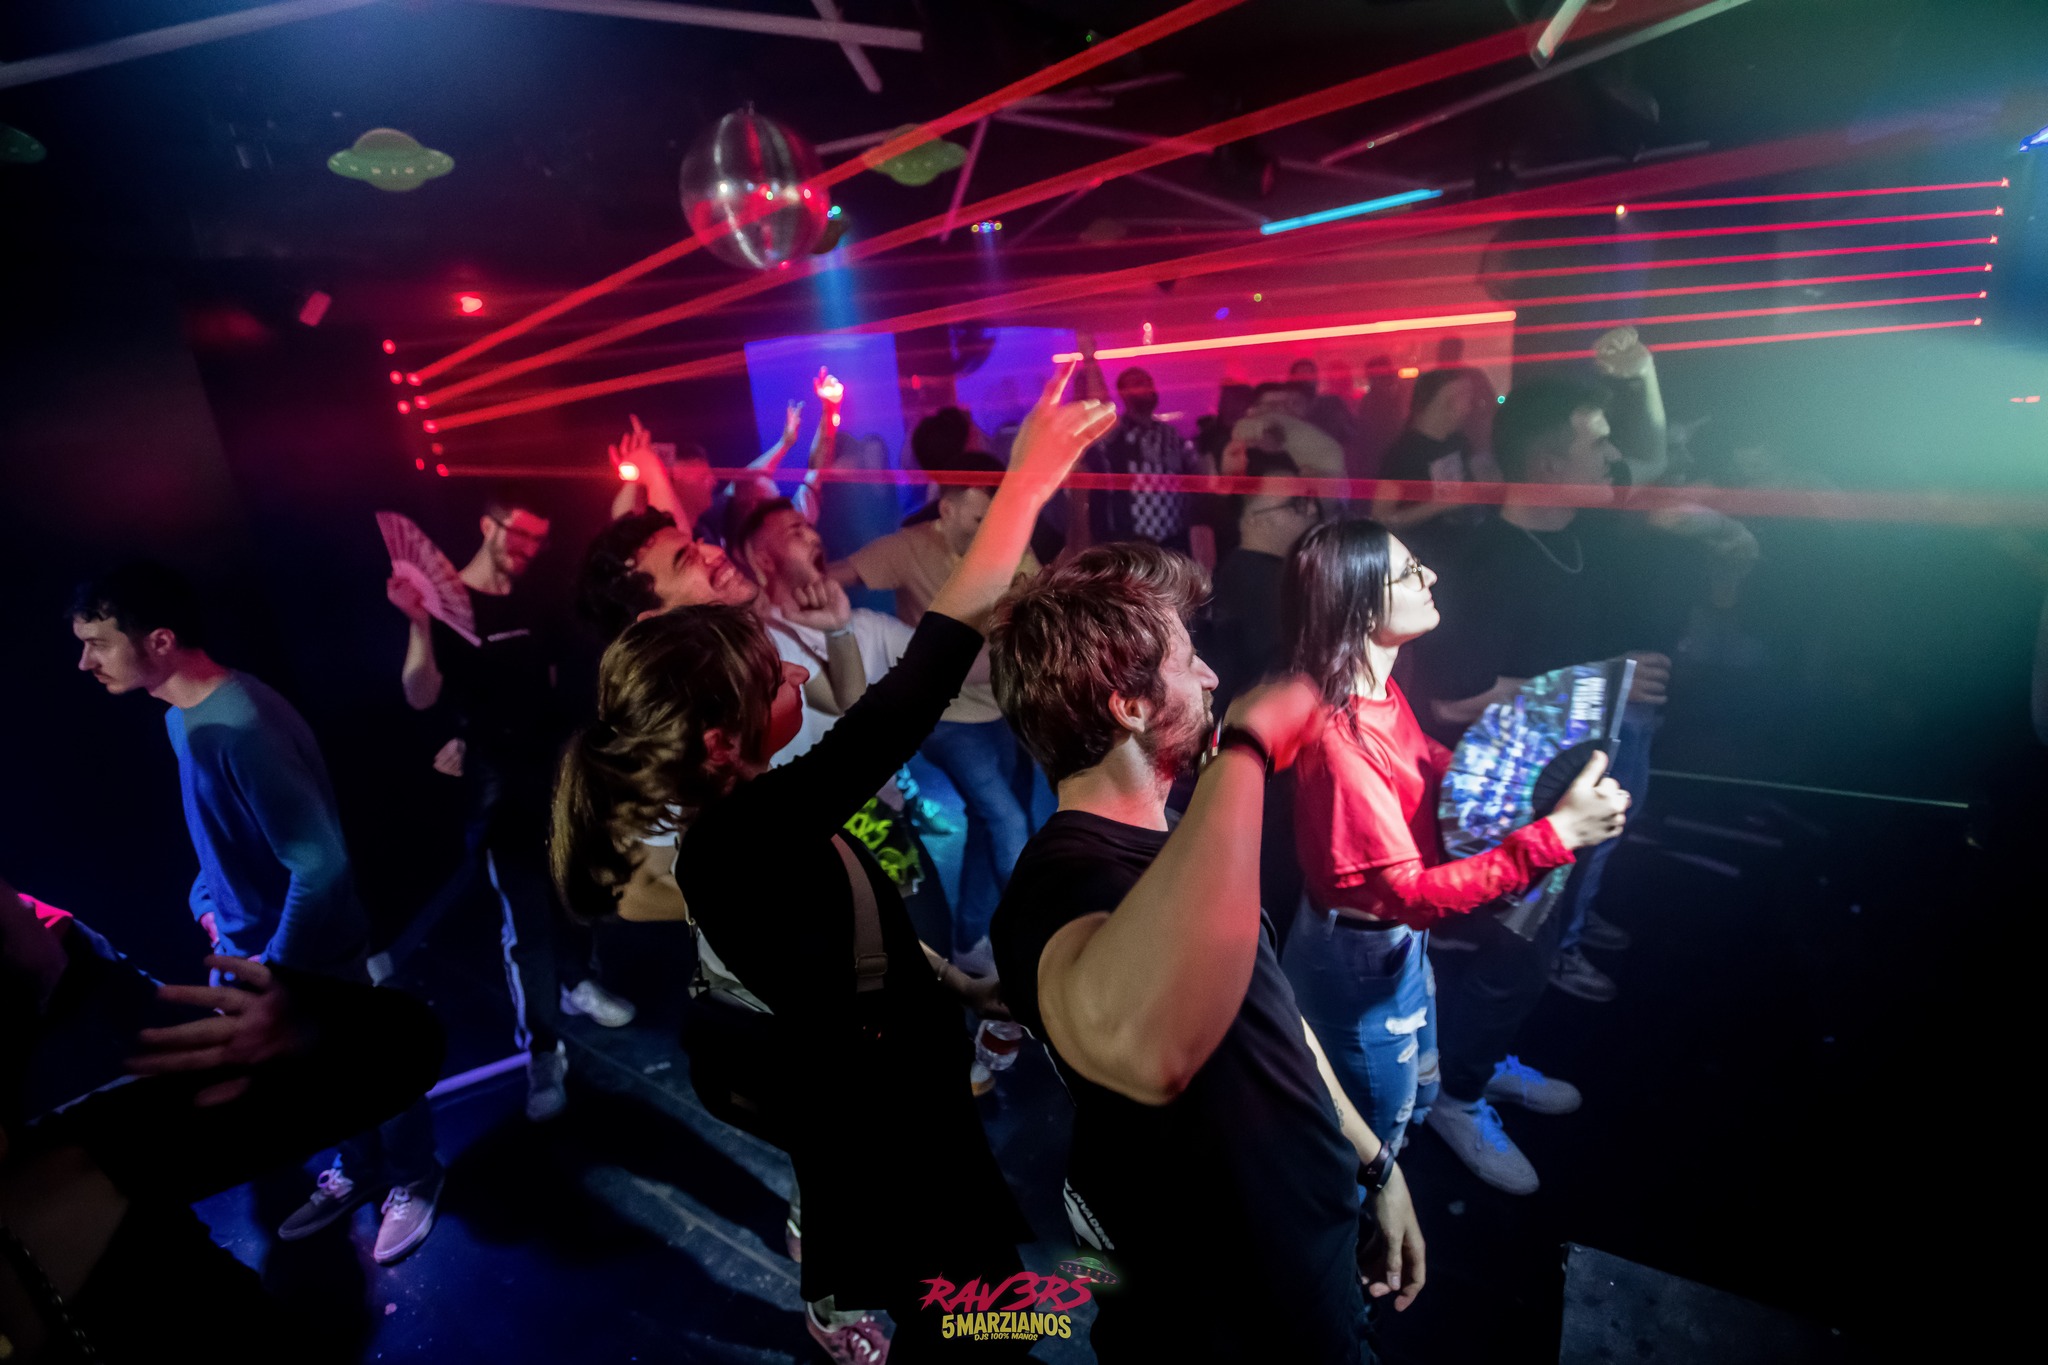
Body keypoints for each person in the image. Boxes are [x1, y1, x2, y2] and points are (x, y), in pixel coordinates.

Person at [550, 364, 1116, 1361]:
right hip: (876, 1105)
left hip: (891, 1078)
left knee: (962, 1270)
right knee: (959, 1298)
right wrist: (1024, 485)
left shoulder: (754, 822)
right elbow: (926, 672)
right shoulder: (751, 832)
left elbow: (852, 940)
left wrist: (954, 986)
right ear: (722, 741)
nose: (789, 672)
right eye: (771, 680)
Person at [987, 542, 1426, 1365]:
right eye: (1189, 661)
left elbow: (1279, 1022)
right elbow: (1141, 1047)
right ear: (1129, 706)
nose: (1213, 677)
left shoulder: (1180, 850)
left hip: (1313, 1260)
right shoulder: (1063, 883)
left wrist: (1377, 1165)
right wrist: (1246, 753)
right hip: (1232, 1321)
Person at [70, 563, 444, 1262]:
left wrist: (279, 966)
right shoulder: (183, 719)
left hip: (306, 953)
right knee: (322, 1080)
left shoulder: (240, 725)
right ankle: (362, 1169)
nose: (85, 662)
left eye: (97, 642)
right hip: (261, 951)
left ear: (159, 640)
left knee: (360, 1065)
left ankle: (414, 1174)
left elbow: (320, 866)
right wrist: (209, 901)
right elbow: (229, 838)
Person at [1281, 520, 1630, 1192]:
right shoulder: (1342, 745)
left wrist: (1510, 788)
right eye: (1410, 572)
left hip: (1389, 945)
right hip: (1361, 961)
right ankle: (1368, 1222)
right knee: (1377, 1125)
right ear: (1360, 606)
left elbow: (1420, 762)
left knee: (1419, 1068)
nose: (1431, 576)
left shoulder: (1377, 688)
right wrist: (1555, 834)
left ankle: (1455, 1089)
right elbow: (1410, 895)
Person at [2, 875, 445, 1362]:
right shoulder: (83, 1161)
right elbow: (410, 1047)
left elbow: (408, 1049)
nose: (24, 905)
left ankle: (396, 1172)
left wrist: (306, 1031)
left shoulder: (90, 1155)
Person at [385, 488, 607, 1121]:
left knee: (576, 891)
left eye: (539, 538)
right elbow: (420, 695)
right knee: (527, 925)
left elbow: (560, 681)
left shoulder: (538, 599)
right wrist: (418, 622)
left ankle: (578, 982)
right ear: (489, 525)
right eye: (520, 534)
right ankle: (542, 1052)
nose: (529, 548)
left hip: (552, 772)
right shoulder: (446, 603)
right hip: (497, 788)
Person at [830, 452, 1041, 971]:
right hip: (947, 720)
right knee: (1007, 820)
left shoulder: (1009, 543)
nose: (990, 529)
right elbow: (836, 576)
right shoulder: (909, 547)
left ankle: (970, 939)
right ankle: (1035, 944)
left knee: (990, 823)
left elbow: (1040, 603)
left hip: (1003, 708)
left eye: (995, 517)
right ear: (946, 510)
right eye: (979, 518)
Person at [1072, 341, 1218, 563]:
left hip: (1174, 542)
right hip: (1130, 543)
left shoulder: (1171, 434)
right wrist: (1090, 358)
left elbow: (1198, 478)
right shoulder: (1119, 431)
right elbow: (1101, 409)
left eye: (1148, 381)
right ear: (1124, 393)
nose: (1146, 386)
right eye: (1137, 383)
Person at [1203, 449, 1321, 713]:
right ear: (1254, 519)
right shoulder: (1263, 584)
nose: (1313, 509)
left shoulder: (1248, 570)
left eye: (1310, 498)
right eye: (1297, 503)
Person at [1370, 368, 1480, 549]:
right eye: (1466, 397)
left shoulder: (1459, 441)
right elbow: (1381, 519)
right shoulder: (1403, 454)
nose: (1470, 406)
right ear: (1445, 402)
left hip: (1463, 549)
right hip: (1424, 555)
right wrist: (1439, 505)